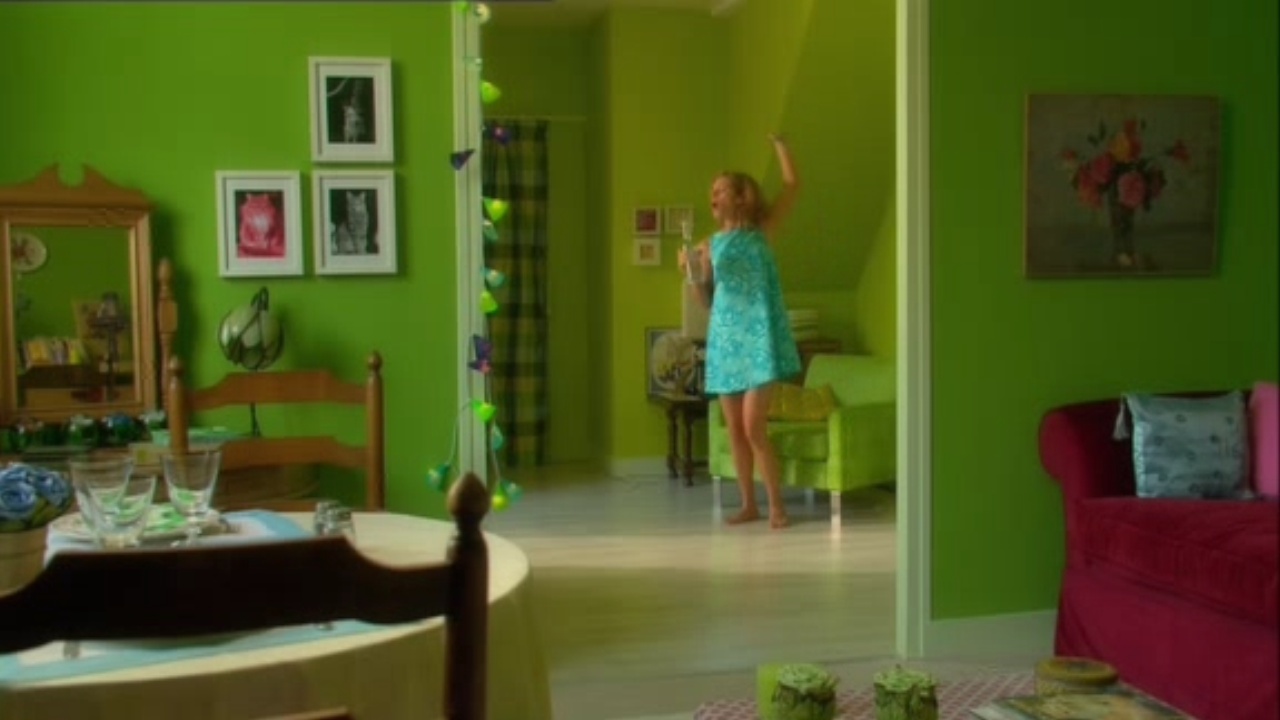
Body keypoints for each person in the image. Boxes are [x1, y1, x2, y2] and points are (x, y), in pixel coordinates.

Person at [679, 134, 801, 529]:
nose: (713, 197)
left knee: (753, 426)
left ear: (741, 196)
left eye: (720, 190)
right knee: (734, 427)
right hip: (726, 339)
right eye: (711, 192)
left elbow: (792, 185)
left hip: (759, 337)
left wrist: (781, 147)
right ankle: (749, 505)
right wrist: (691, 272)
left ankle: (777, 506)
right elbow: (705, 299)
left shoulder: (762, 230)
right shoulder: (709, 244)